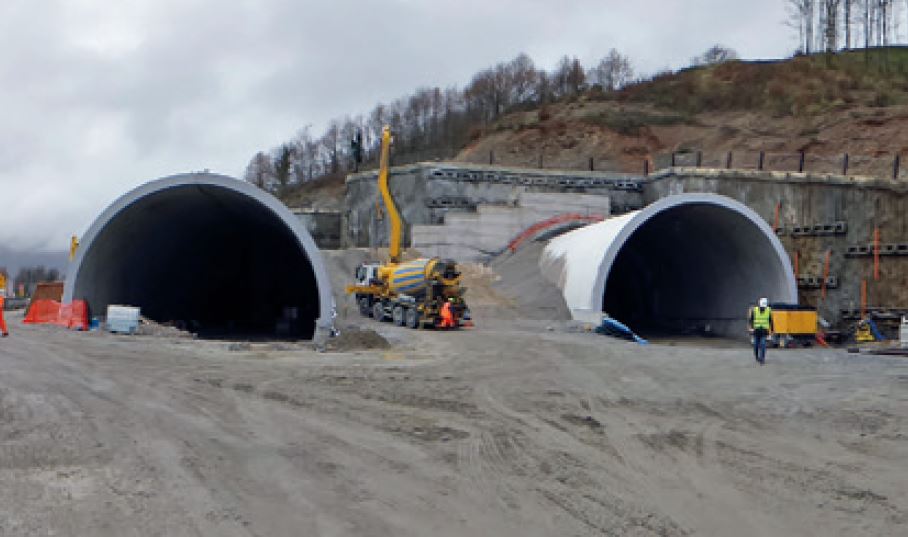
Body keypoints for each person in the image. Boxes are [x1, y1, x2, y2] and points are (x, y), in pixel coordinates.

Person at [749, 297, 774, 365]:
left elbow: (771, 321)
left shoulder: (768, 310)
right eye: (762, 307)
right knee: (755, 345)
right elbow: (751, 320)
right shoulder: (755, 310)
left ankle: (762, 359)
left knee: (763, 344)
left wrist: (772, 331)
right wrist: (751, 328)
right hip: (756, 331)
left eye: (764, 307)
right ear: (759, 305)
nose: (763, 308)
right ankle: (757, 356)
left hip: (764, 331)